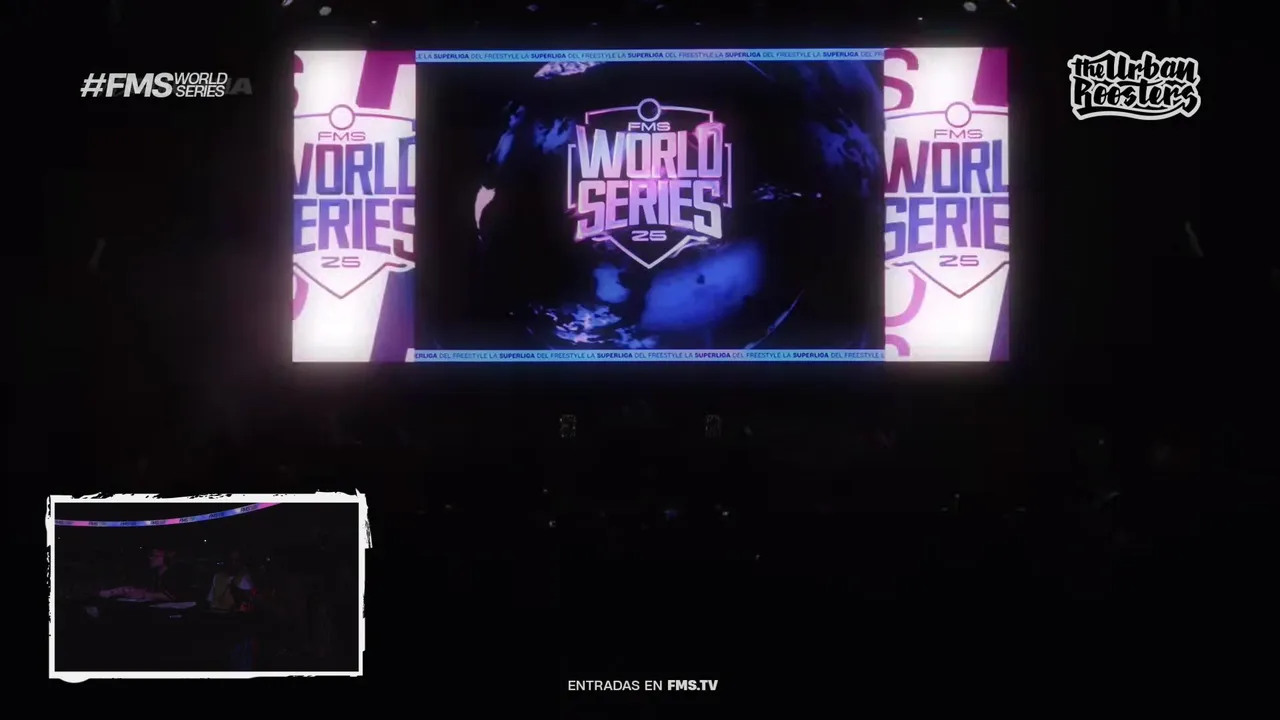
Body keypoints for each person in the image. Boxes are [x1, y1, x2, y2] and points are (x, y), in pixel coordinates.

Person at [99, 548, 190, 602]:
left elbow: (172, 596)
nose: (150, 558)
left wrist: (143, 595)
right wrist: (114, 592)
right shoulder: (153, 575)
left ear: (166, 558)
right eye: (150, 555)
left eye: (155, 556)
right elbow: (142, 589)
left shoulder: (173, 574)